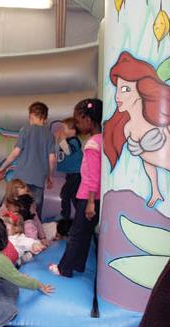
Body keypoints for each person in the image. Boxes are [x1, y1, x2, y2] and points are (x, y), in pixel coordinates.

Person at [103, 51, 170, 208]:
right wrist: (155, 189)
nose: (117, 96)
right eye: (118, 89)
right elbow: (147, 158)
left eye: (125, 89)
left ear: (139, 90)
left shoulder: (162, 114)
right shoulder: (127, 128)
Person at [49, 98, 103, 277]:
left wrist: (89, 203)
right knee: (85, 233)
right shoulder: (99, 139)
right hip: (91, 195)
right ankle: (79, 264)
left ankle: (64, 268)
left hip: (87, 196)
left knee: (76, 234)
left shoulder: (92, 144)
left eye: (78, 121)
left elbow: (93, 176)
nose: (78, 125)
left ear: (88, 120)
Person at [0, 102, 56, 220]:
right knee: (34, 209)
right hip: (39, 179)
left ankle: (0, 227)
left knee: (10, 204)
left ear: (30, 116)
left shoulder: (25, 130)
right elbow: (52, 158)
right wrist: (50, 176)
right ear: (45, 118)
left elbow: (15, 152)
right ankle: (34, 232)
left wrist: (2, 167)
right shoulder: (49, 135)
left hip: (21, 177)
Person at [55, 117, 83, 227]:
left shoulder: (74, 141)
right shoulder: (67, 141)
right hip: (71, 174)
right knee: (72, 196)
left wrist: (61, 139)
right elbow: (59, 152)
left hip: (76, 174)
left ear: (73, 130)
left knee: (65, 194)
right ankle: (79, 216)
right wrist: (59, 140)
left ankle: (65, 214)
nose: (62, 130)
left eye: (64, 128)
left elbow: (68, 151)